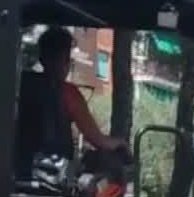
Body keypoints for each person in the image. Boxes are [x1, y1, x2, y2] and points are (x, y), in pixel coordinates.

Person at [14, 27, 127, 171]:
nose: (68, 65)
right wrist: (120, 143)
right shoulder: (67, 92)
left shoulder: (22, 85)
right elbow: (98, 140)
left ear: (41, 58)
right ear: (64, 60)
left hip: (16, 169)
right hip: (54, 174)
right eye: (66, 58)